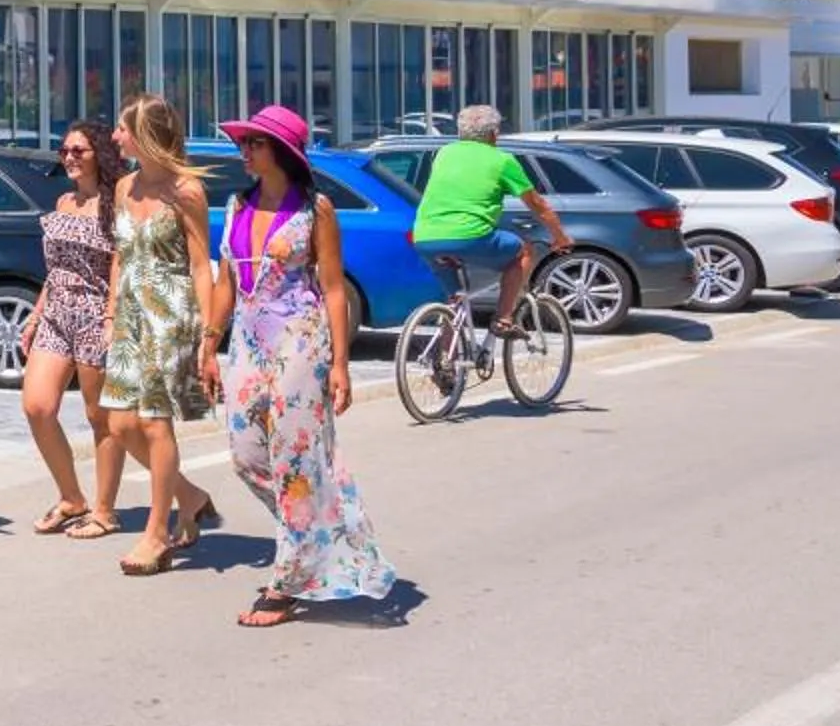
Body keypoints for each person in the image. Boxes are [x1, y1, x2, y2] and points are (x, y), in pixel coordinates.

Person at [217, 104, 398, 628]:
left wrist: (341, 363)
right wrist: (208, 342)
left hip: (301, 338)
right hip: (248, 341)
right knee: (245, 453)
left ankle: (288, 581)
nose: (244, 150)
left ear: (282, 153)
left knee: (295, 458)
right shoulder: (236, 205)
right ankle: (321, 533)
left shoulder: (314, 209)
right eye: (244, 142)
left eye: (255, 143)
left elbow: (335, 288)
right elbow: (227, 283)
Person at [103, 93, 228, 576]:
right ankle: (190, 496)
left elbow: (202, 266)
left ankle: (158, 534)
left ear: (144, 135)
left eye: (122, 128)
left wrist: (207, 334)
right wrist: (112, 312)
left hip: (170, 314)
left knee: (155, 423)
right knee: (118, 423)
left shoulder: (188, 190)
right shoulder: (124, 188)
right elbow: (120, 255)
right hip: (130, 314)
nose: (115, 137)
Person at [22, 117, 128, 541]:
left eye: (78, 151)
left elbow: (121, 262)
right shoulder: (64, 202)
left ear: (99, 154)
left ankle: (104, 510)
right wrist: (35, 314)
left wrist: (110, 316)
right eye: (64, 151)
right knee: (37, 406)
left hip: (94, 313)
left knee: (99, 417)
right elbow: (56, 269)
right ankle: (72, 498)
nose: (68, 157)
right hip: (57, 312)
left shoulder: (115, 203)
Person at [411, 104, 571, 332]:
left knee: (456, 302)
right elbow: (538, 204)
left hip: (425, 237)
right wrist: (560, 237)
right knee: (524, 251)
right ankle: (503, 318)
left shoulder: (443, 154)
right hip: (470, 236)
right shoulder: (502, 160)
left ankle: (445, 360)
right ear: (494, 134)